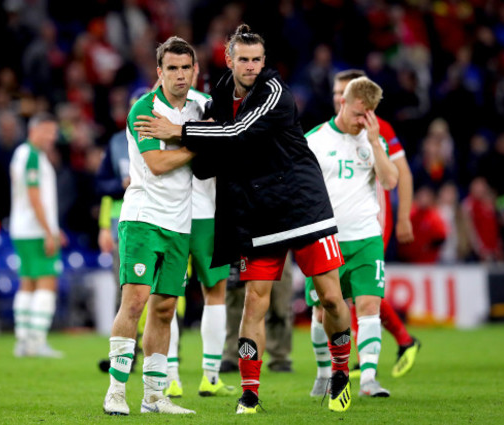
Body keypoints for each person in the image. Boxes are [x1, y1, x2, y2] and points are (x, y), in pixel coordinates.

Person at [135, 24, 352, 414]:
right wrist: (195, 149)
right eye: (244, 60)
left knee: (332, 298)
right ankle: (249, 392)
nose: (251, 67)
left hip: (302, 206)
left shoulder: (275, 93)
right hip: (260, 213)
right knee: (254, 303)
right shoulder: (220, 92)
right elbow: (216, 149)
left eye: (257, 60)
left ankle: (340, 371)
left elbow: (234, 133)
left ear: (264, 62)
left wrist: (179, 131)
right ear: (229, 59)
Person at [101, 36, 204, 416]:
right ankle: (115, 389)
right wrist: (199, 142)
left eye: (185, 68)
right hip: (144, 218)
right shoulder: (144, 109)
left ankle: (154, 396)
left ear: (195, 71)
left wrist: (184, 133)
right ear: (159, 72)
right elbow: (158, 166)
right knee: (135, 303)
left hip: (180, 222)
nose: (179, 75)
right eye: (172, 68)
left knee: (164, 310)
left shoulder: (201, 107)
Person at [307, 70, 421, 397]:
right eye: (358, 114)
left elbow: (389, 181)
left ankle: (369, 378)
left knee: (369, 304)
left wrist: (374, 142)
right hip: (326, 239)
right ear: (343, 103)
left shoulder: (374, 140)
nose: (362, 121)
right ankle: (324, 371)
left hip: (366, 237)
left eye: (368, 115)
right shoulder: (315, 140)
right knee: (325, 309)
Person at [164, 167, 237, 398]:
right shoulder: (210, 127)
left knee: (167, 297)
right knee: (215, 295)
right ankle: (211, 378)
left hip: (171, 214)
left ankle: (171, 379)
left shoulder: (162, 129)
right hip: (207, 213)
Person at [9, 112, 65, 358]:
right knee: (46, 282)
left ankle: (23, 340)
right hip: (34, 230)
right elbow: (34, 196)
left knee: (27, 283)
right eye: (49, 131)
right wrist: (48, 230)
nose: (53, 137)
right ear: (36, 130)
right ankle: (37, 341)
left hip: (22, 228)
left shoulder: (21, 154)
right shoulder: (32, 156)